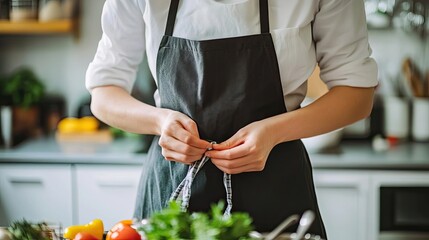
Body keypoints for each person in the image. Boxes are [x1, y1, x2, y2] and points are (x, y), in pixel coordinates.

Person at [86, 0, 378, 238]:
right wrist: (159, 122)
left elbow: (357, 94)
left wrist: (273, 131)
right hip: (171, 195)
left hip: (276, 193)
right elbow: (103, 94)